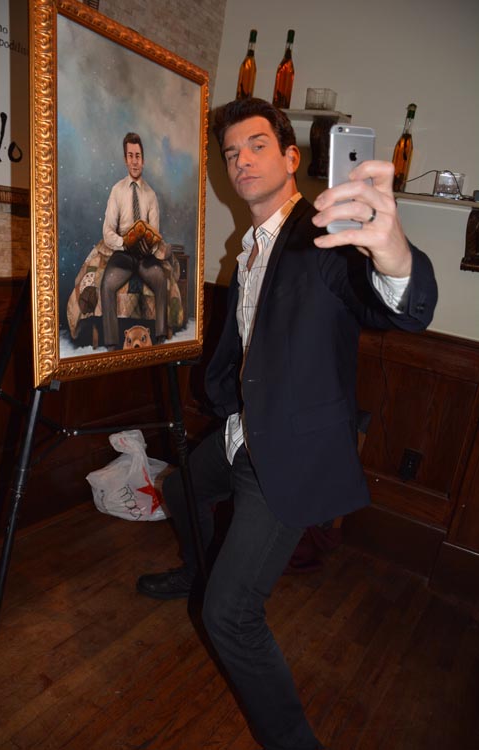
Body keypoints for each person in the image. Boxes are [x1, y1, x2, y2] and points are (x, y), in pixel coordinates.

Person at [136, 98, 438, 750]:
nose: (241, 159)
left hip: (288, 452)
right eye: (231, 152)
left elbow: (398, 305)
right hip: (244, 429)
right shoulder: (247, 247)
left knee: (230, 616)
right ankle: (196, 568)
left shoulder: (322, 238)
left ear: (292, 157)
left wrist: (392, 252)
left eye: (257, 145)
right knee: (183, 483)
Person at [101, 132, 169, 348]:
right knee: (106, 285)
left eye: (138, 156)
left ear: (143, 159)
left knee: (161, 280)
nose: (135, 161)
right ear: (125, 159)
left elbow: (155, 232)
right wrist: (123, 242)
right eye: (130, 156)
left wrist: (151, 244)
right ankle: (112, 344)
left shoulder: (151, 195)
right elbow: (107, 231)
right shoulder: (117, 191)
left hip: (145, 256)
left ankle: (159, 338)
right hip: (123, 254)